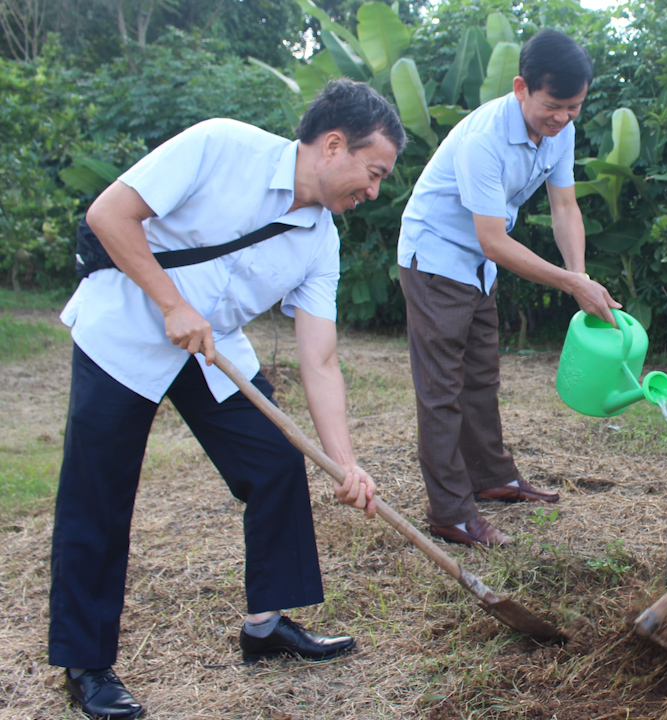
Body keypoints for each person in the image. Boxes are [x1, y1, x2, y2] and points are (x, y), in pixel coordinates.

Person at [49, 79, 404, 719]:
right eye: (373, 172)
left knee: (274, 460)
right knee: (97, 495)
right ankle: (86, 663)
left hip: (213, 350)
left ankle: (266, 625)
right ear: (332, 146)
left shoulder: (320, 240)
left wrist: (345, 461)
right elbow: (109, 215)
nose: (373, 192)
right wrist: (171, 303)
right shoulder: (221, 145)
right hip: (129, 327)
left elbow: (319, 358)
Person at [397, 29, 619, 548]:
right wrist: (568, 282)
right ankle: (450, 513)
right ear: (521, 87)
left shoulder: (558, 131)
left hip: (477, 266)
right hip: (436, 259)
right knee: (441, 392)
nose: (563, 118)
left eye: (574, 107)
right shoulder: (484, 140)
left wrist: (579, 277)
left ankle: (493, 478)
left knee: (480, 377)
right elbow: (494, 239)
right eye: (554, 106)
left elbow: (565, 207)